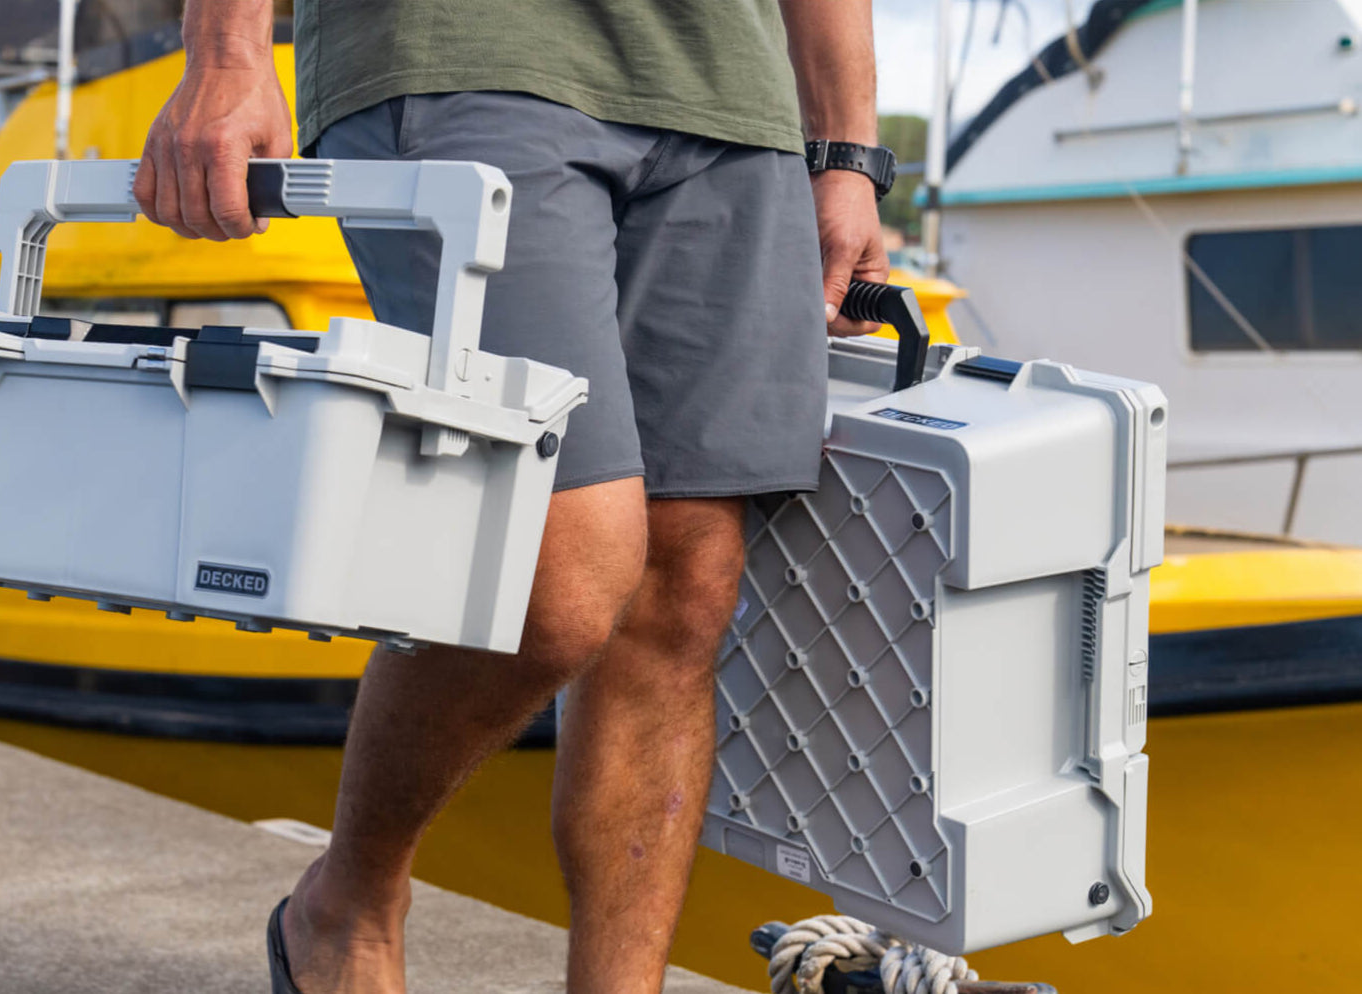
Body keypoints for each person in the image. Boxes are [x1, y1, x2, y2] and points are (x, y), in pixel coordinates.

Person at [134, 1, 892, 990]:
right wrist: (227, 49)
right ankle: (345, 899)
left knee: (682, 589)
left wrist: (846, 151)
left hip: (730, 95)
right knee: (560, 577)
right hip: (469, 51)